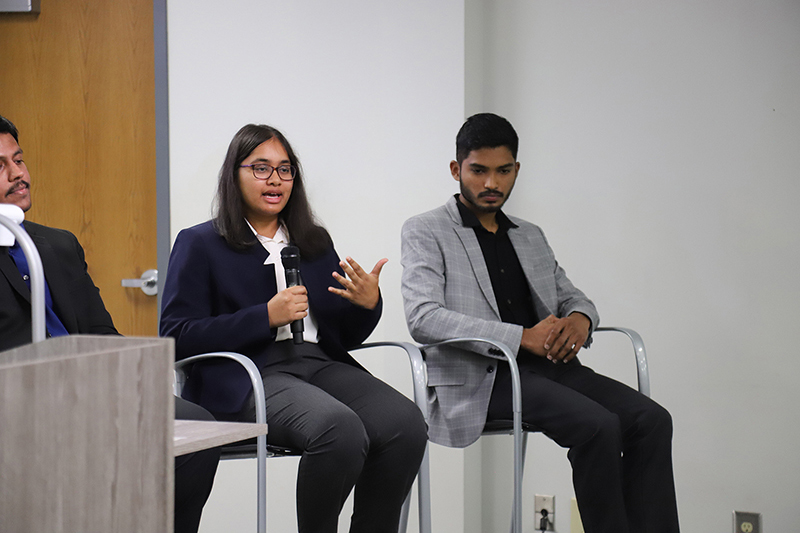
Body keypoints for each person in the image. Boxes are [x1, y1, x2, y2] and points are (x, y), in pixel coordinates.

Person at [400, 113, 680, 533]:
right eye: (479, 171)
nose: (491, 183)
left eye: (503, 171)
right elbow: (424, 318)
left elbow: (571, 295)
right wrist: (520, 338)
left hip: (554, 369)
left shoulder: (528, 234)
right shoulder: (426, 230)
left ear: (516, 170)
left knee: (652, 420)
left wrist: (582, 320)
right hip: (485, 377)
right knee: (598, 427)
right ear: (457, 169)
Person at [160, 123, 427, 533]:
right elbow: (176, 336)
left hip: (319, 364)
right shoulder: (200, 243)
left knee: (405, 424)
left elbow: (344, 335)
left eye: (285, 170)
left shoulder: (313, 241)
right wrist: (263, 316)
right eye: (261, 168)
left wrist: (368, 304)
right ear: (235, 174)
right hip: (249, 373)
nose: (275, 180)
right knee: (338, 429)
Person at [0, 114, 219, 533]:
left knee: (197, 430)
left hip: (93, 389)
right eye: (0, 166)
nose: (18, 174)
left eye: (20, 160)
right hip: (24, 406)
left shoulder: (59, 244)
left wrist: (129, 377)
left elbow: (101, 333)